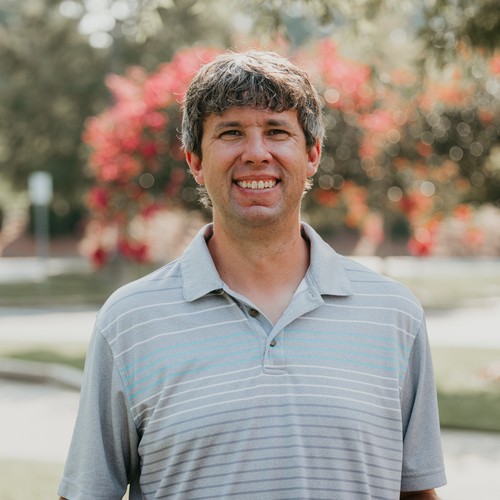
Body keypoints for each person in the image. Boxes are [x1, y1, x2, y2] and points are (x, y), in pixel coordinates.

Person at [59, 50, 446, 499]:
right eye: (231, 133)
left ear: (312, 155)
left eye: (277, 131)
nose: (257, 153)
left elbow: (416, 492)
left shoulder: (394, 314)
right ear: (195, 161)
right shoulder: (129, 321)